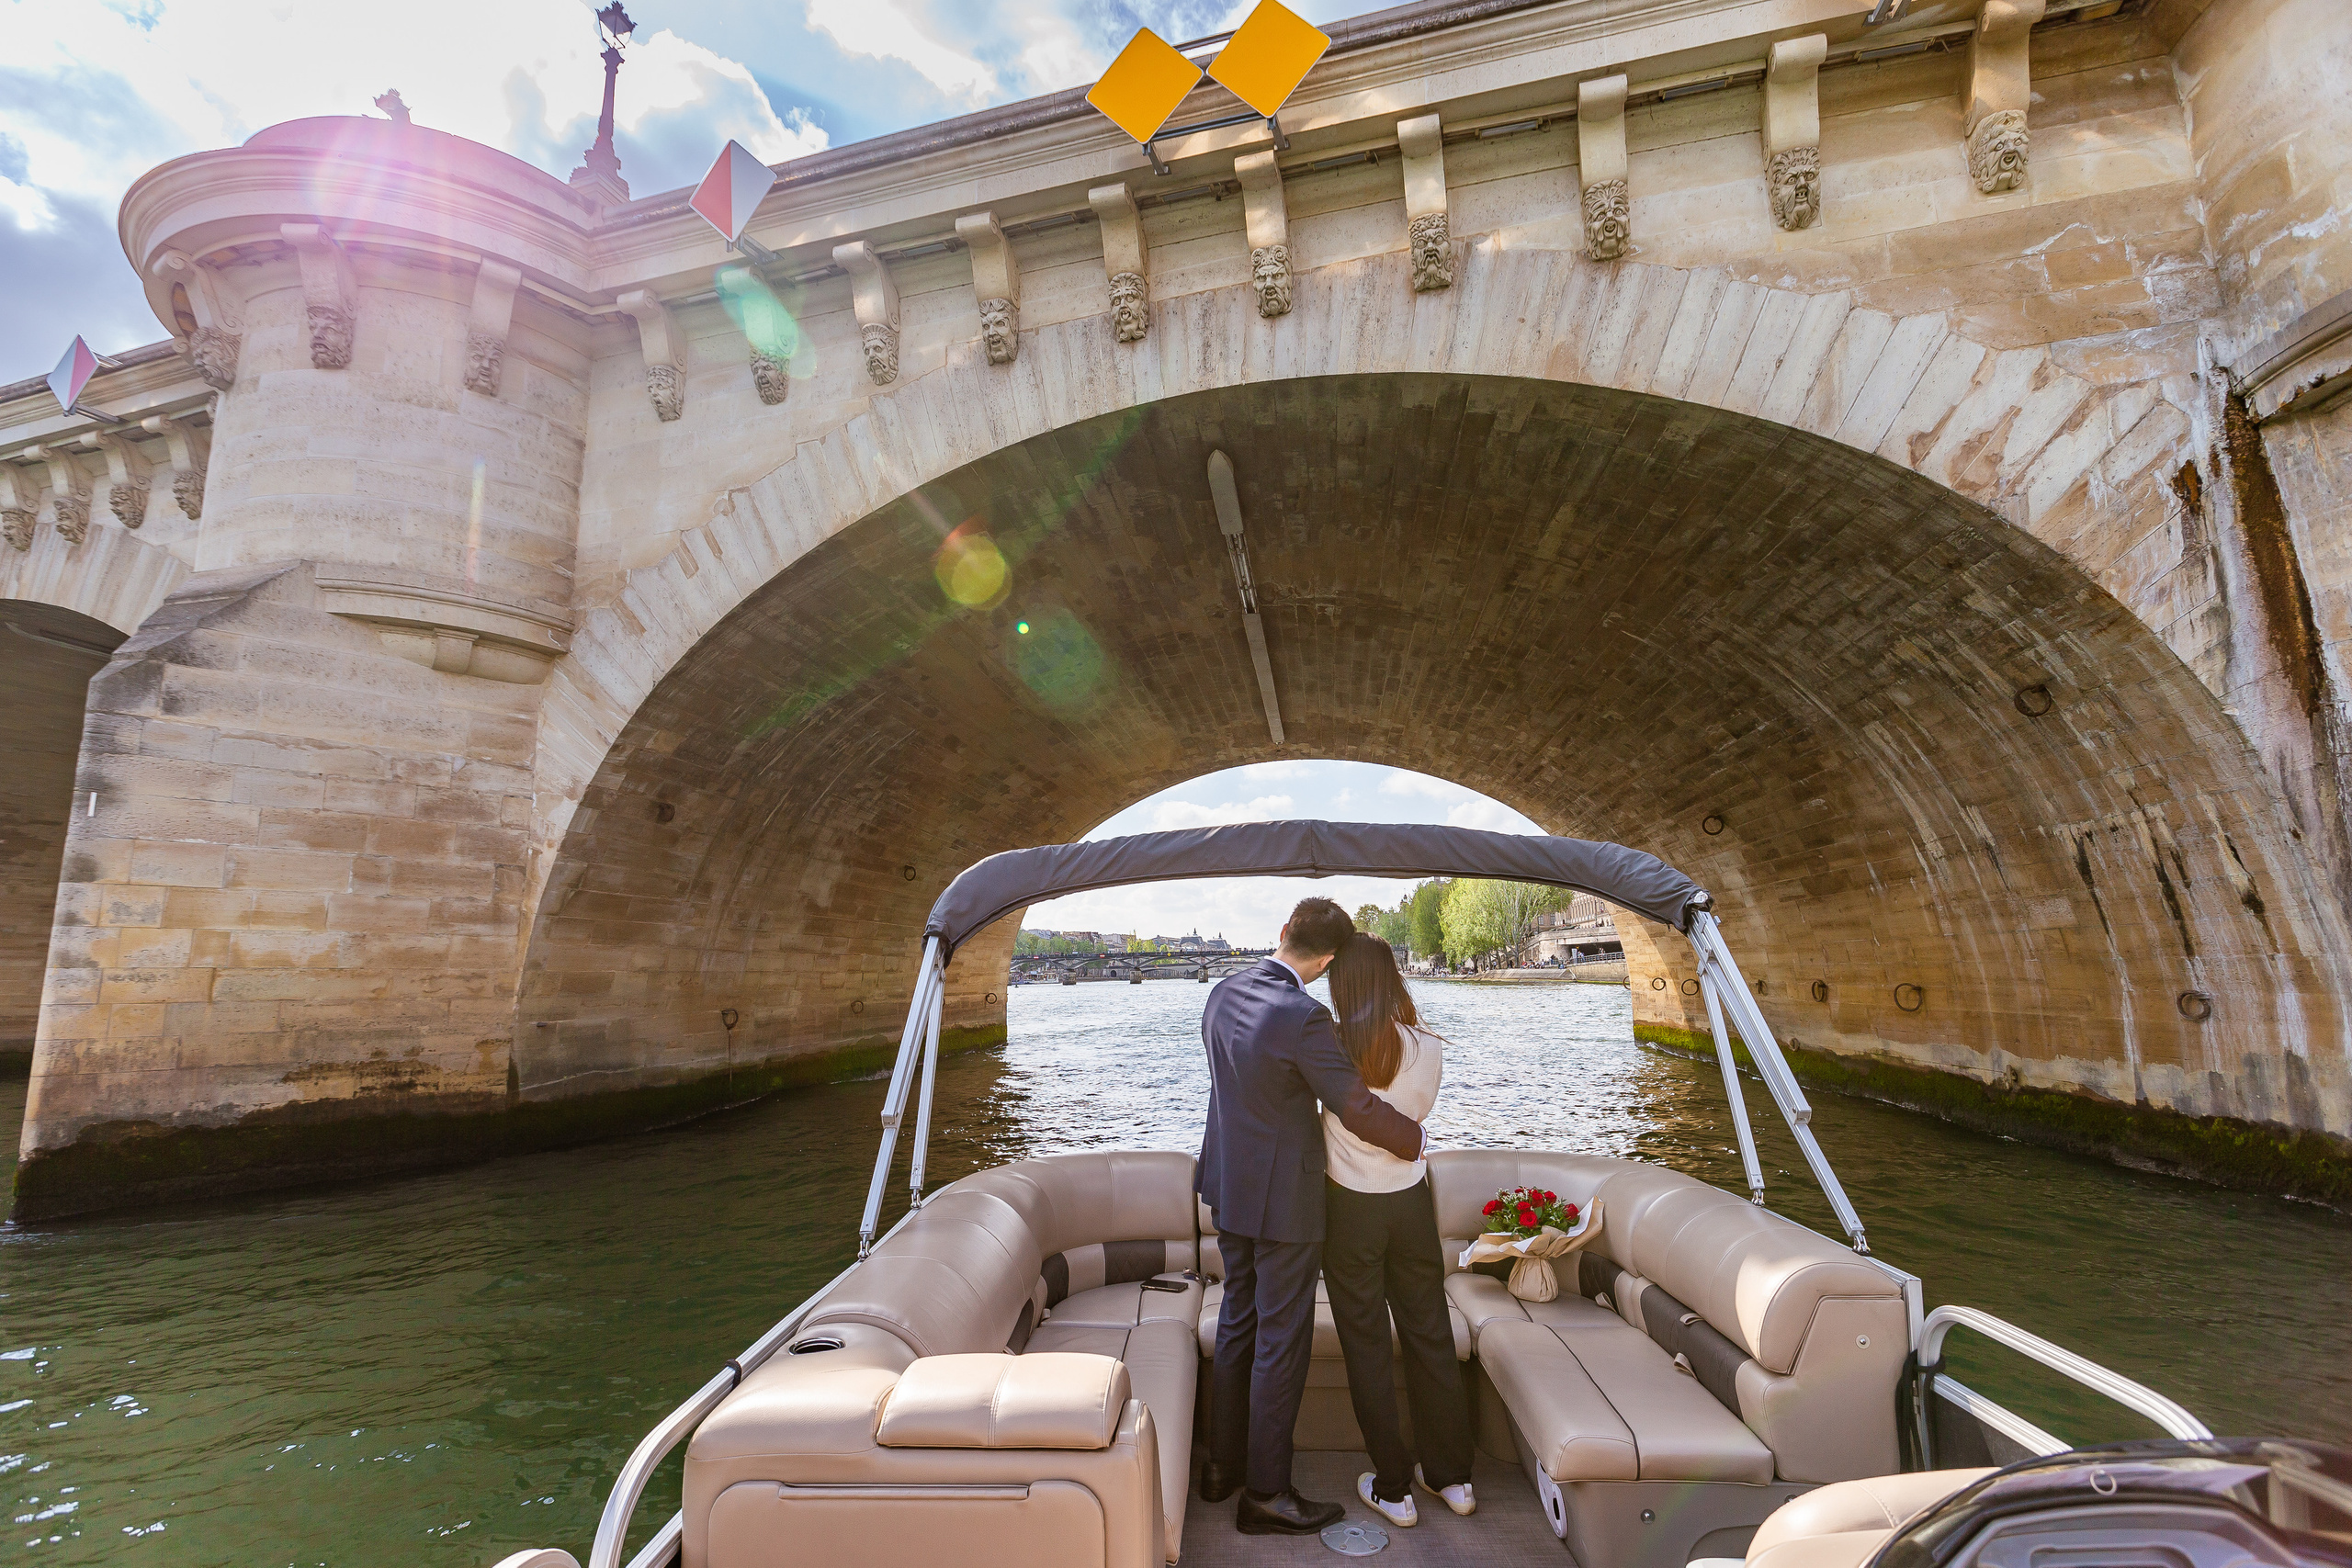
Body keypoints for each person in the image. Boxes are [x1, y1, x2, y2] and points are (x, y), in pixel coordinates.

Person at [1197, 898, 1426, 1536]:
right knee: (1281, 1338)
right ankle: (1266, 1492)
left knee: (1237, 1320)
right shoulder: (1304, 1015)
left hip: (1226, 1186)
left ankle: (1223, 1466)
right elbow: (1353, 1105)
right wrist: (1416, 1139)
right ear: (1326, 962)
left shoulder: (1222, 991)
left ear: (1282, 934)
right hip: (1284, 1205)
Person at [1321, 932, 1477, 1527]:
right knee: (1430, 1336)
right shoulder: (1428, 1047)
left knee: (1367, 1348)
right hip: (1411, 1202)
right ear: (1392, 979)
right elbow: (1415, 1119)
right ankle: (1452, 1477)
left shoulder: (1332, 1048)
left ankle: (1393, 1487)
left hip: (1349, 1211)